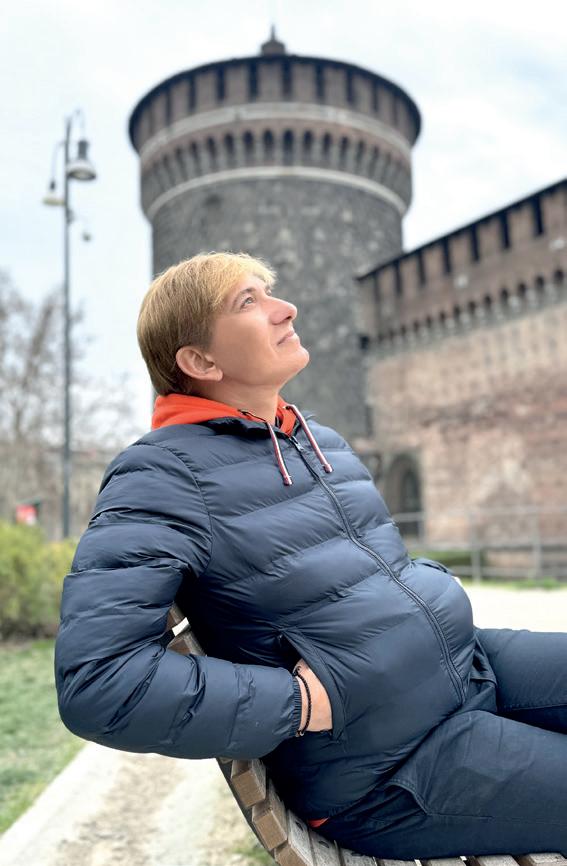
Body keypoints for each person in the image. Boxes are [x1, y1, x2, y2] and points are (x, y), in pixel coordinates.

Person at [55, 251, 567, 858]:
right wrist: (295, 705)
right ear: (201, 361)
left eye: (269, 291)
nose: (286, 309)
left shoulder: (316, 441)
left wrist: (428, 587)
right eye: (248, 302)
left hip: (469, 663)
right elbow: (99, 681)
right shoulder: (161, 474)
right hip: (394, 763)